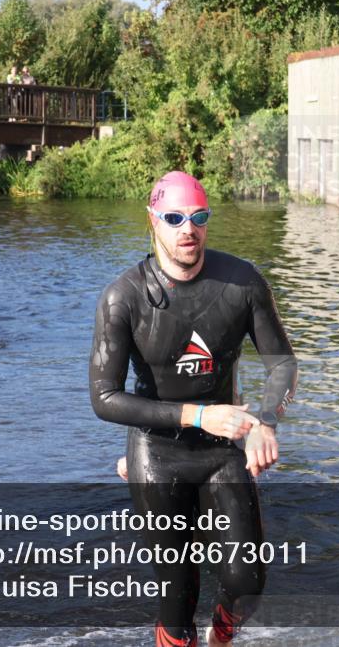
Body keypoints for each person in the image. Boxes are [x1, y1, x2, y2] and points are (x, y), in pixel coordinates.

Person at [90, 171, 298, 647]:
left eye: (199, 217)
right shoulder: (123, 296)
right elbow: (104, 398)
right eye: (175, 218)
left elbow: (283, 364)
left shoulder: (242, 282)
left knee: (247, 581)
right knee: (177, 591)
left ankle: (220, 636)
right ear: (153, 222)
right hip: (156, 452)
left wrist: (265, 420)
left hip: (223, 449)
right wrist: (200, 415)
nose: (189, 229)